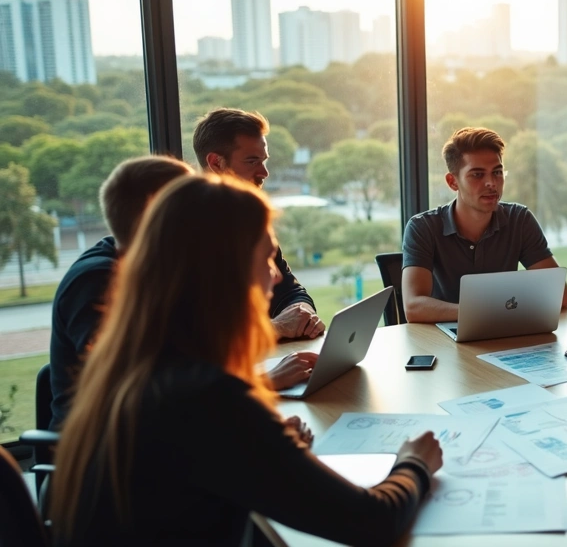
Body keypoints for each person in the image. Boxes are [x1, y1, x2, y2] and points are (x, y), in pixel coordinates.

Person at [49, 175, 442, 545]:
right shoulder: (204, 397)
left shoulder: (138, 364)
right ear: (225, 270)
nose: (274, 277)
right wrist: (414, 464)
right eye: (266, 257)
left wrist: (264, 442)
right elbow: (371, 521)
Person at [47, 156, 315, 430]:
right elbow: (141, 403)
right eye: (192, 200)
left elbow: (189, 371)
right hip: (108, 449)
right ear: (159, 214)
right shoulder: (98, 281)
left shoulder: (171, 272)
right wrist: (260, 387)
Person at [401, 127, 567, 323]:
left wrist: (498, 313)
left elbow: (560, 296)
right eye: (477, 175)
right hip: (443, 341)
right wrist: (488, 311)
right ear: (452, 182)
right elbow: (413, 307)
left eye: (497, 172)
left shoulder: (519, 219)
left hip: (502, 335)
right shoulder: (423, 227)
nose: (492, 183)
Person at [193, 107, 325, 339]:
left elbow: (289, 290)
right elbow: (197, 335)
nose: (264, 173)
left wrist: (302, 313)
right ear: (216, 162)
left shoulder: (250, 220)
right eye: (252, 161)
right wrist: (279, 327)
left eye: (263, 161)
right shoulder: (180, 230)